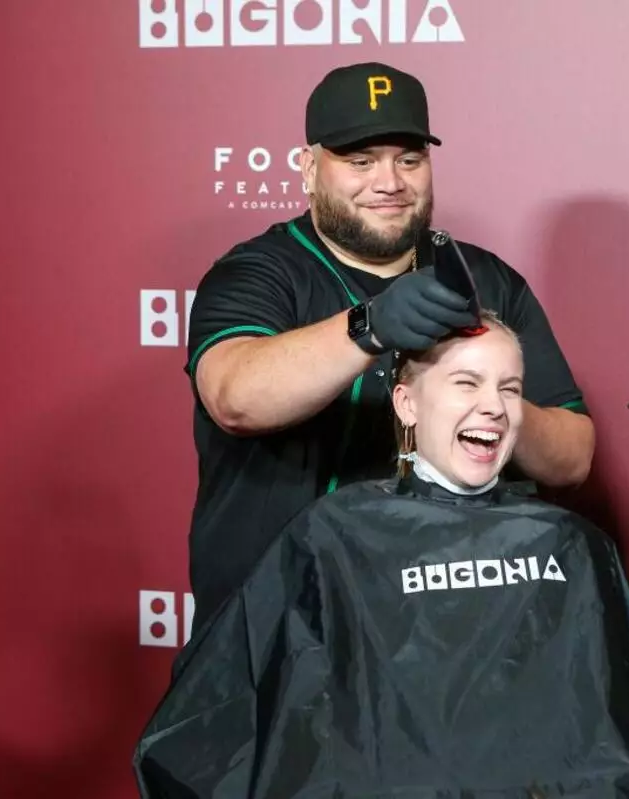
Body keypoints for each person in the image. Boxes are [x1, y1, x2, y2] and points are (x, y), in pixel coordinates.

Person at [135, 314, 629, 798]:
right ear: (406, 403)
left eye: (509, 388)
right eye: (466, 382)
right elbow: (214, 717)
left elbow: (624, 745)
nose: (493, 405)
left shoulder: (573, 545)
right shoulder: (334, 536)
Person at [183, 62, 594, 633]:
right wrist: (369, 327)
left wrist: (487, 399)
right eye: (360, 161)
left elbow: (572, 458)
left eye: (409, 159)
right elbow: (235, 397)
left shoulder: (484, 280)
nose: (389, 182)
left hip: (438, 630)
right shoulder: (259, 272)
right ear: (309, 168)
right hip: (276, 624)